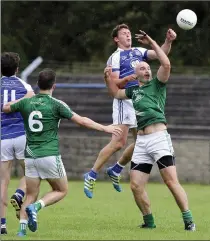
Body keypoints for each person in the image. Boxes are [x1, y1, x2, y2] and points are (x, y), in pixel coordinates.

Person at [2, 68, 123, 237]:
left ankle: (21, 230)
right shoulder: (57, 104)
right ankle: (37, 207)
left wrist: (23, 98)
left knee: (30, 193)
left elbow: (6, 108)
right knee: (61, 190)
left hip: (30, 156)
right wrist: (105, 127)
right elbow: (81, 121)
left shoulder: (25, 103)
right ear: (54, 86)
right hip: (49, 155)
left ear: (37, 84)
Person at [103, 30, 196, 231]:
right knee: (136, 185)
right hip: (142, 143)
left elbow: (166, 64)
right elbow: (114, 93)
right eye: (142, 69)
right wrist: (107, 78)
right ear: (135, 75)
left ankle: (189, 220)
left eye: (148, 68)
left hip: (159, 138)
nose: (147, 70)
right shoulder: (133, 90)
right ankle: (149, 221)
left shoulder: (157, 84)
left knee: (171, 182)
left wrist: (153, 42)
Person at [84, 23, 177, 198]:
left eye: (128, 33)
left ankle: (116, 169)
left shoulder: (138, 51)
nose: (128, 35)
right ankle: (92, 174)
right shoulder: (115, 57)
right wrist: (129, 77)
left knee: (142, 140)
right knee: (119, 142)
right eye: (124, 34)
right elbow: (115, 85)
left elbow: (160, 54)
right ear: (116, 39)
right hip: (124, 100)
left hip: (140, 99)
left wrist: (168, 41)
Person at [1, 52, 35, 234]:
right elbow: (32, 100)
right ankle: (20, 194)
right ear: (17, 69)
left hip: (3, 138)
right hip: (22, 135)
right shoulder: (24, 85)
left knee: (2, 182)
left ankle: (2, 225)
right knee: (31, 173)